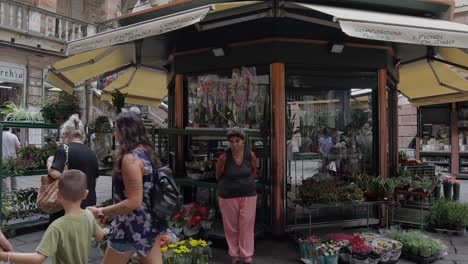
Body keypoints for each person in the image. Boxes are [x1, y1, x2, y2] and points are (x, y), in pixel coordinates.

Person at [87, 111, 165, 264]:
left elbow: (134, 201)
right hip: (149, 224)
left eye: (116, 130)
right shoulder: (146, 153)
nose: (115, 134)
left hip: (131, 227)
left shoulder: (131, 159)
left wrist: (101, 211)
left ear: (124, 131)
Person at [0, 169, 104, 264]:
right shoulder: (89, 216)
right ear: (85, 194)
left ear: (58, 195)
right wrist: (98, 217)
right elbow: (100, 236)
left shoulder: (57, 226)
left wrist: (6, 256)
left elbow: (38, 259)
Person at [216, 127, 258, 264]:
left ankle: (247, 255)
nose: (234, 144)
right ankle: (234, 255)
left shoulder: (250, 155)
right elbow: (218, 175)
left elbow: (253, 171)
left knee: (246, 225)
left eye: (237, 141)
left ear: (243, 141)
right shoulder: (223, 157)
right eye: (232, 142)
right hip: (228, 195)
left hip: (248, 194)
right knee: (231, 227)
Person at [48, 114, 99, 222]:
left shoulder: (64, 149)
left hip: (67, 206)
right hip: (88, 204)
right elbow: (94, 179)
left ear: (66, 134)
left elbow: (54, 173)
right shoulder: (91, 153)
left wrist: (49, 163)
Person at [2, 127, 21, 191]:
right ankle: (14, 190)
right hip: (13, 158)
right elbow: (18, 147)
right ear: (9, 128)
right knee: (14, 175)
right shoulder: (13, 136)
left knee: (3, 175)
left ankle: (5, 192)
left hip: (3, 158)